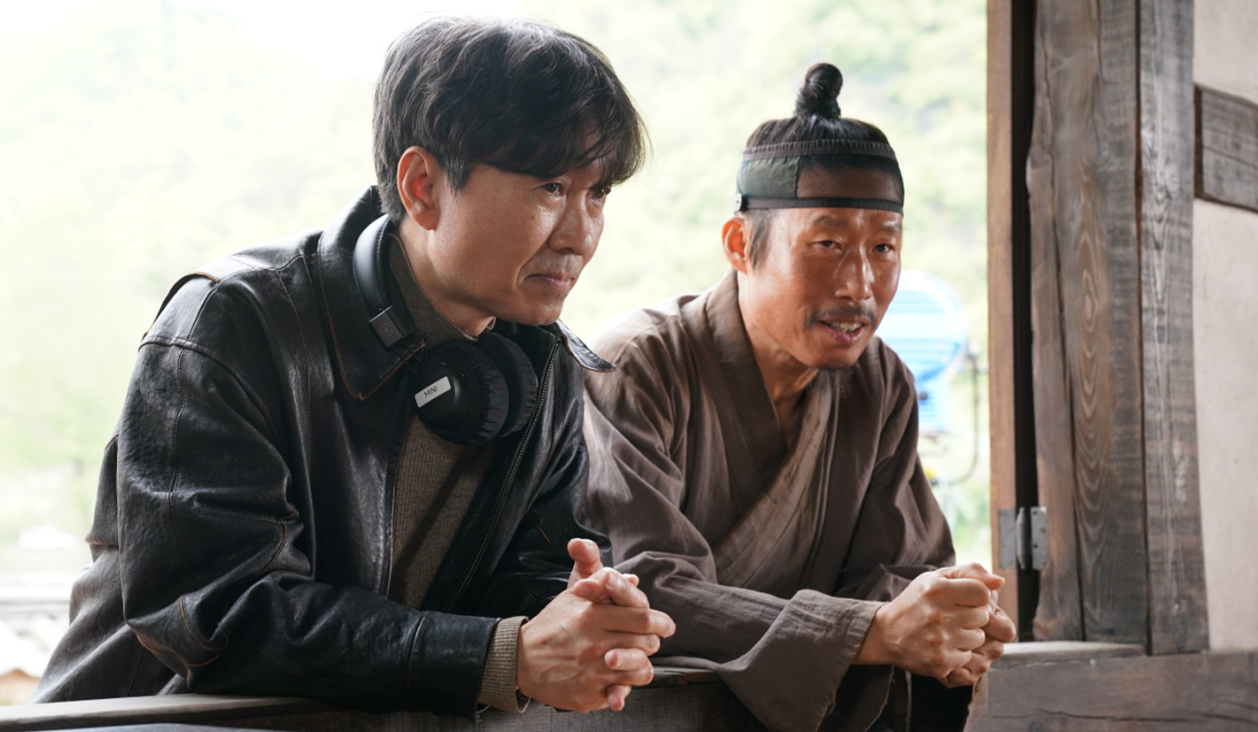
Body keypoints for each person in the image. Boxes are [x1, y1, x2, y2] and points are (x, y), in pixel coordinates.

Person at [34, 17, 674, 717]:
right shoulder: (230, 325)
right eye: (551, 187)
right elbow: (222, 616)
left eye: (598, 194)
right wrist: (503, 654)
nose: (581, 235)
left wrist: (583, 616)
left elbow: (533, 578)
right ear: (423, 186)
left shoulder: (543, 365)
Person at [581, 63, 1015, 732]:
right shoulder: (637, 366)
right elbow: (648, 592)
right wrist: (871, 631)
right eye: (827, 244)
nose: (859, 284)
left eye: (884, 247)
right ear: (740, 245)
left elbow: (901, 572)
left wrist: (956, 616)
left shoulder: (880, 382)